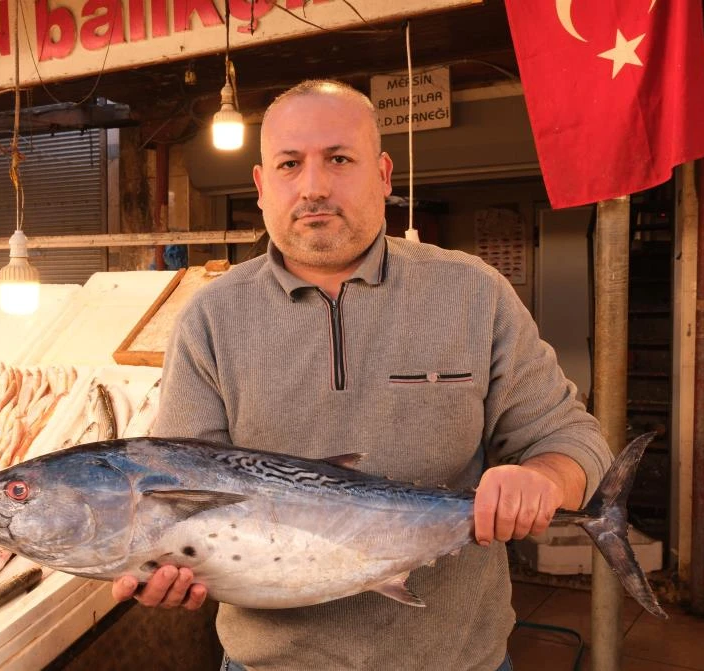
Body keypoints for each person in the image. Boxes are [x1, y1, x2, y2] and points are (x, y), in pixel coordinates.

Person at [111, 79, 612, 671]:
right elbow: (186, 483)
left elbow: (573, 440)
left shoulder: (471, 292)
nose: (314, 187)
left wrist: (547, 480)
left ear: (383, 174)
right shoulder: (211, 317)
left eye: (339, 159)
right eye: (290, 164)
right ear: (261, 184)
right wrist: (154, 561)